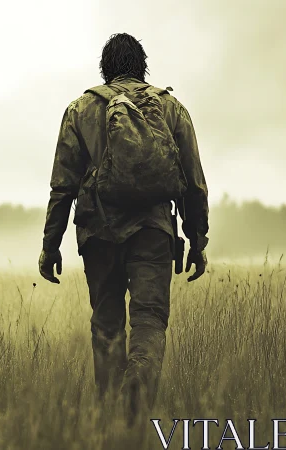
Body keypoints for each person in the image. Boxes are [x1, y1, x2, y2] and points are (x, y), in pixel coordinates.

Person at [37, 33, 210, 425]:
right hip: (153, 232)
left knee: (107, 322)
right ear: (143, 66)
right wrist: (197, 241)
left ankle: (110, 419)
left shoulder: (80, 109)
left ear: (105, 68)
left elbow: (62, 186)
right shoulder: (170, 108)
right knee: (149, 319)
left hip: (98, 233)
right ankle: (139, 385)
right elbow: (193, 183)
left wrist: (51, 246)